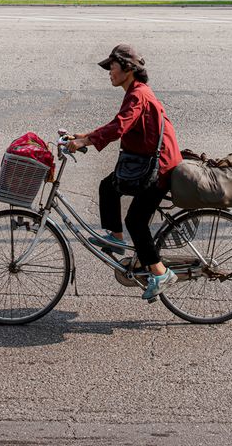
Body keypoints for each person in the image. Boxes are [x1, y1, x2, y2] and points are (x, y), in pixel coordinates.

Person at [67, 44, 182, 303]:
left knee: (136, 221)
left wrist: (86, 142)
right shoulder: (134, 92)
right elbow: (118, 123)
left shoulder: (138, 94)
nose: (109, 71)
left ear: (128, 69)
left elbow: (120, 126)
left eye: (112, 66)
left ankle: (160, 272)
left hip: (159, 168)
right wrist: (87, 135)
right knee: (108, 186)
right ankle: (116, 239)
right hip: (149, 162)